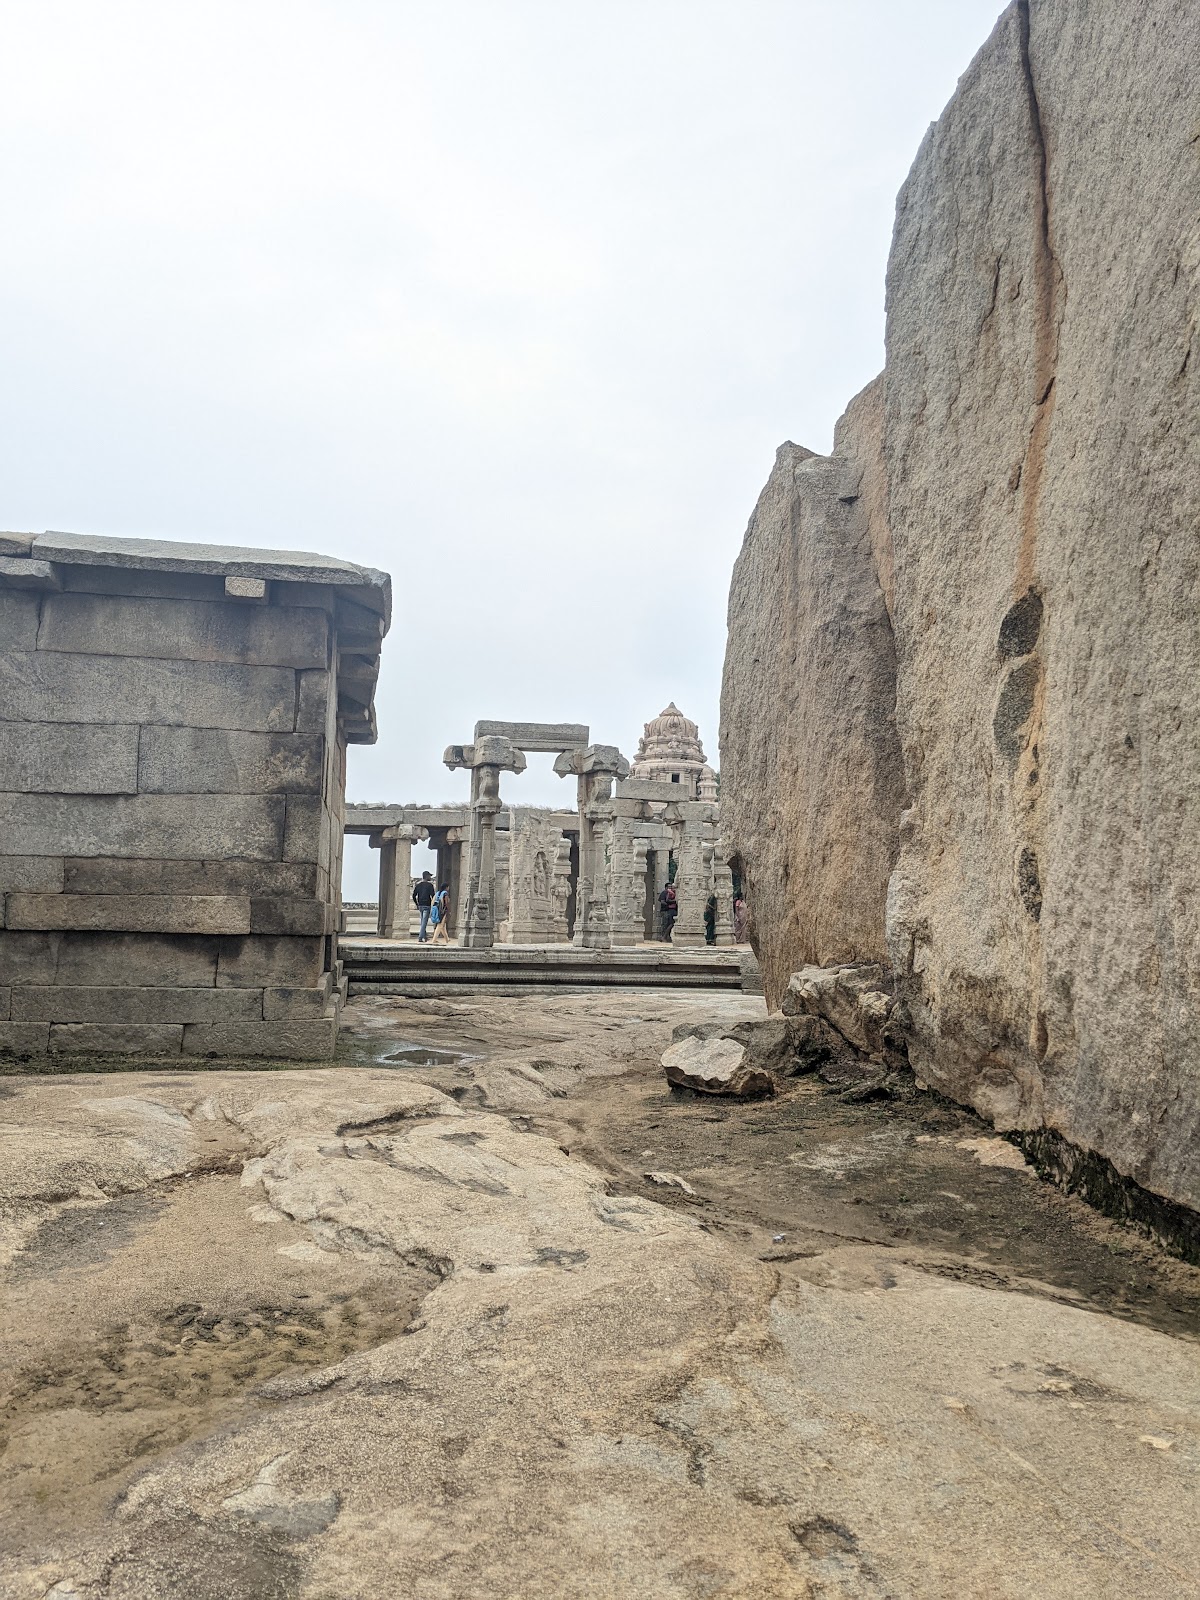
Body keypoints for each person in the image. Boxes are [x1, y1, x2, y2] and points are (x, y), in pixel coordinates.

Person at [412, 871, 437, 942]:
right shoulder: (430, 885)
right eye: (429, 876)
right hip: (427, 905)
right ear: (426, 876)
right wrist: (434, 904)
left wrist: (416, 904)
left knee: (423, 921)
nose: (430, 877)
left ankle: (424, 936)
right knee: (424, 922)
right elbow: (433, 896)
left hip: (420, 905)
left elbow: (414, 895)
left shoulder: (418, 885)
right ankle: (420, 937)